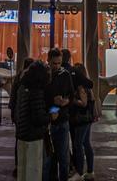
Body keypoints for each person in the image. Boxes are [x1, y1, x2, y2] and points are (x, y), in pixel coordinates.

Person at [15, 61, 51, 181]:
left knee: (23, 170)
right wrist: (51, 117)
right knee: (33, 171)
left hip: (22, 134)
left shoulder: (23, 89)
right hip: (33, 136)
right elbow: (38, 118)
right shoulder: (36, 92)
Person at [44, 49, 75, 181]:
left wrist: (66, 101)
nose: (56, 66)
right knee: (49, 158)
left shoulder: (65, 75)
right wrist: (53, 108)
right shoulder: (44, 75)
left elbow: (72, 95)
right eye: (54, 63)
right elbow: (42, 98)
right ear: (48, 60)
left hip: (62, 121)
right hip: (48, 123)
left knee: (63, 157)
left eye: (59, 63)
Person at [69, 62, 96, 181]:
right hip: (88, 119)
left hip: (81, 119)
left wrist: (72, 100)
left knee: (78, 144)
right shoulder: (87, 85)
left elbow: (83, 103)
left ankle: (79, 172)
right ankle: (90, 171)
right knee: (86, 143)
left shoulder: (80, 86)